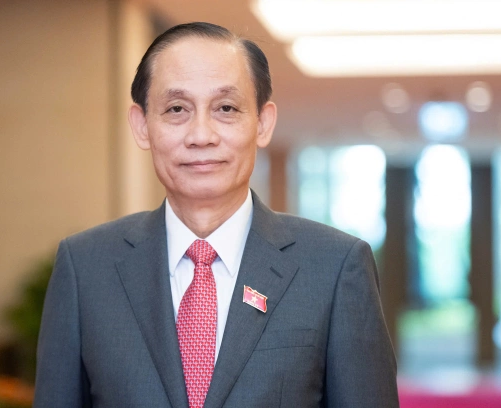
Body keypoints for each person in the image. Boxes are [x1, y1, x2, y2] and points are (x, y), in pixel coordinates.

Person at [33, 22, 399, 408]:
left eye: (226, 108)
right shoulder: (85, 267)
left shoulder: (334, 266)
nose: (201, 135)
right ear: (142, 126)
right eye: (177, 109)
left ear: (263, 123)